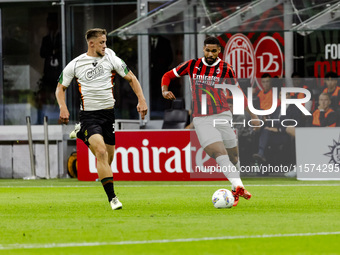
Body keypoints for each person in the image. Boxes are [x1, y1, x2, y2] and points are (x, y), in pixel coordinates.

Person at [55, 28, 148, 210]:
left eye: (105, 42)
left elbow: (132, 78)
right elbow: (60, 88)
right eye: (102, 43)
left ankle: (81, 132)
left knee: (109, 158)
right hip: (89, 116)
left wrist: (142, 99)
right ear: (91, 43)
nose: (105, 46)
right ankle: (113, 198)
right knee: (101, 153)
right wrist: (63, 107)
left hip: (108, 115)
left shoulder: (111, 59)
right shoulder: (76, 64)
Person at [161, 37, 260, 206]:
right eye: (207, 50)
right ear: (203, 49)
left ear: (219, 51)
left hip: (222, 115)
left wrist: (253, 115)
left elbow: (237, 93)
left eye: (214, 51)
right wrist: (164, 90)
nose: (210, 54)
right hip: (202, 118)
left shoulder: (226, 69)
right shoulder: (192, 65)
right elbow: (167, 75)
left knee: (233, 156)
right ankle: (239, 186)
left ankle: (235, 189)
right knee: (218, 152)